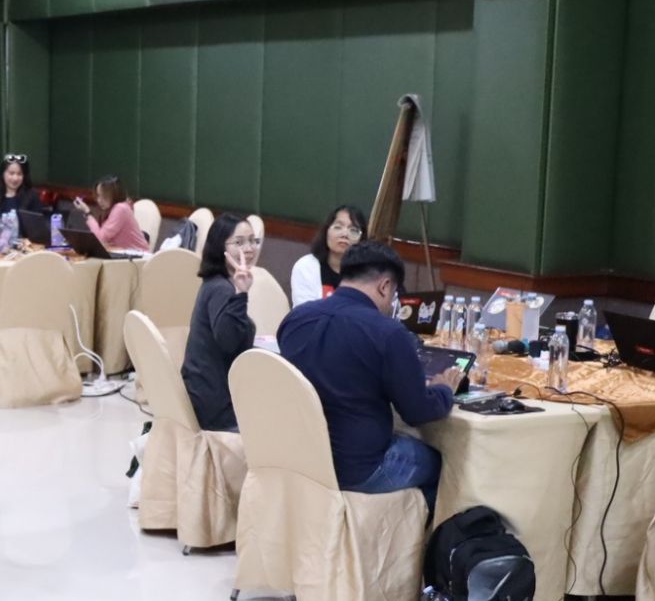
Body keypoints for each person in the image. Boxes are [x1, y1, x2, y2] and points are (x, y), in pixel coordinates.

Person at [276, 242, 459, 509]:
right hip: (358, 469)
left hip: (299, 458)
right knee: (445, 465)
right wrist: (444, 390)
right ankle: (415, 536)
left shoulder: (295, 319)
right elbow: (417, 412)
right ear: (385, 286)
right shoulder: (388, 333)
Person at [181, 214, 258, 432]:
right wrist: (241, 294)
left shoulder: (215, 282)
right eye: (239, 242)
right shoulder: (222, 289)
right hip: (216, 406)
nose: (249, 248)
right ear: (219, 247)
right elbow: (228, 341)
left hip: (204, 391)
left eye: (253, 241)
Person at [291, 204, 368, 307]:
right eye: (338, 227)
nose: (345, 234)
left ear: (362, 239)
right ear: (326, 231)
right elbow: (305, 312)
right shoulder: (306, 266)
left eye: (353, 230)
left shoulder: (368, 273)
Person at [68, 175, 149, 251]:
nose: (99, 200)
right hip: (124, 254)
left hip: (139, 257)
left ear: (114, 194)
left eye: (104, 196)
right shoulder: (115, 208)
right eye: (98, 195)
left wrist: (88, 212)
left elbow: (101, 238)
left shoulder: (120, 209)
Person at [0, 153, 42, 227]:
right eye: (11, 173)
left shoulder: (32, 197)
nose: (15, 178)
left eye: (19, 174)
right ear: (3, 174)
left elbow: (38, 228)